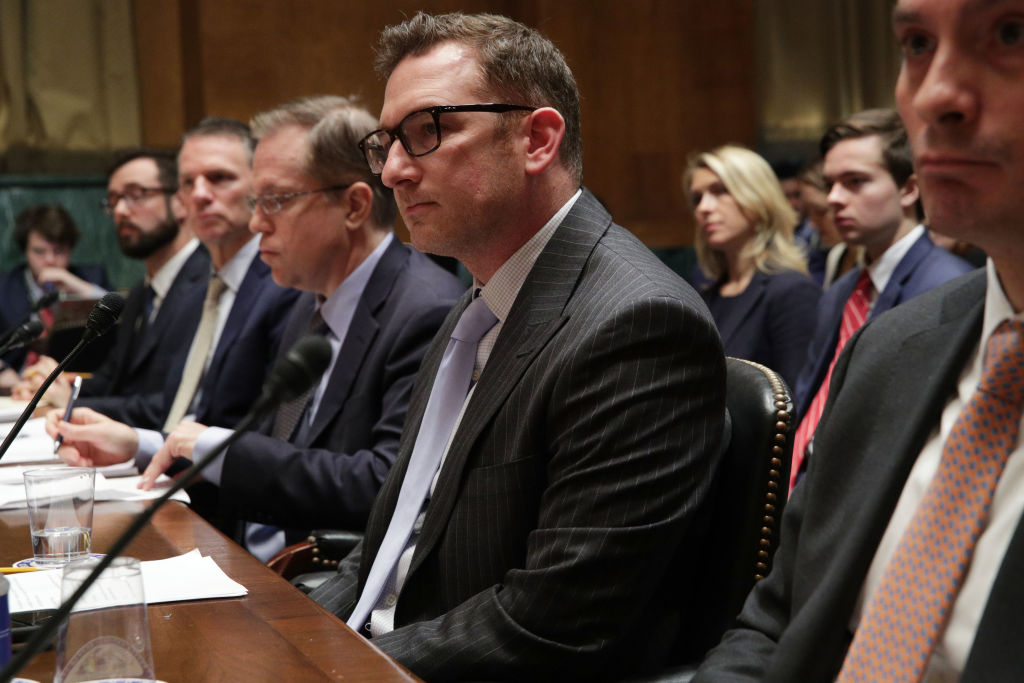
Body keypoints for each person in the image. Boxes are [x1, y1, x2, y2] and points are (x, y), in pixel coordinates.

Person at [305, 12, 725, 681]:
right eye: (386, 143)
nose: (393, 172)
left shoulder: (638, 325)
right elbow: (390, 542)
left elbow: (551, 620)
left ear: (537, 139)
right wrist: (292, 635)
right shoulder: (477, 307)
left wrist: (329, 668)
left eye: (427, 131)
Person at [695, 0, 1024, 679]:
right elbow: (773, 622)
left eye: (1011, 34)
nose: (934, 96)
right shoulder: (890, 347)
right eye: (916, 44)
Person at [51, 96, 465, 561]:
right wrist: (141, 445)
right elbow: (270, 447)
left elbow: (384, 484)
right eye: (255, 201)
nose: (255, 222)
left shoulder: (425, 311)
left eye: (274, 200)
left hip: (318, 576)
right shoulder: (309, 302)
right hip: (247, 554)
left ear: (353, 206)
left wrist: (211, 447)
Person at [790, 108, 975, 487]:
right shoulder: (842, 291)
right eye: (830, 183)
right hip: (801, 485)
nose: (834, 198)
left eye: (855, 182)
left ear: (909, 189)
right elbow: (809, 399)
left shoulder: (947, 288)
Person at [13, 149, 209, 410]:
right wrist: (54, 385)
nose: (121, 211)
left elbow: (175, 403)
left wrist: (71, 403)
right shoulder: (141, 292)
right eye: (114, 200)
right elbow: (111, 380)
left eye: (137, 195)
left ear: (181, 202)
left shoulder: (208, 284)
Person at [687, 145, 821, 390]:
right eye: (697, 198)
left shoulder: (792, 291)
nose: (703, 208)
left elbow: (798, 397)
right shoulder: (706, 297)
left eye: (720, 191)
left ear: (757, 197)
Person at [0, 204, 109, 386]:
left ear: (71, 250)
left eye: (59, 251)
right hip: (17, 386)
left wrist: (77, 286)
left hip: (76, 385)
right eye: (39, 251)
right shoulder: (4, 288)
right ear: (25, 251)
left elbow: (122, 322)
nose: (49, 260)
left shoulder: (90, 279)